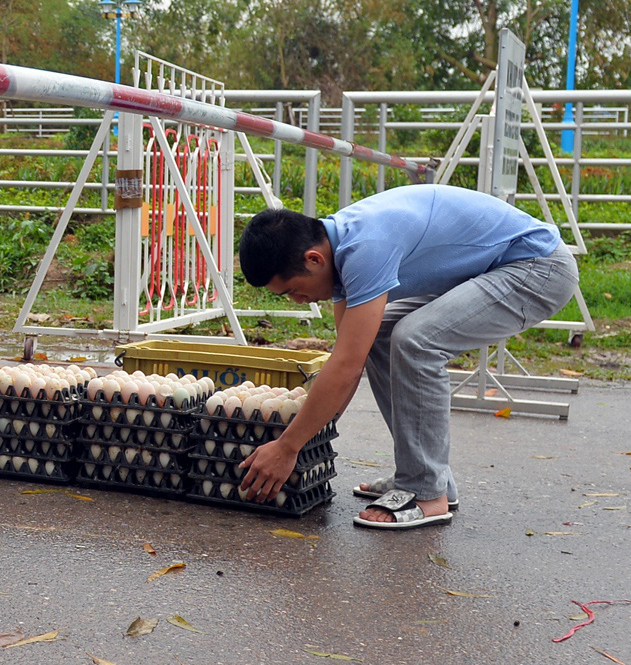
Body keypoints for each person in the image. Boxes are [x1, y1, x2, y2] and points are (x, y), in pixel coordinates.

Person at [234, 185, 578, 529]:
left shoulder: (365, 248)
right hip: (499, 267)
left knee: (416, 341)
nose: (297, 300)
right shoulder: (341, 247)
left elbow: (346, 368)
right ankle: (429, 476)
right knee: (380, 335)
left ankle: (426, 492)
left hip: (539, 268)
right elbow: (350, 357)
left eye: (293, 289)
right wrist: (306, 438)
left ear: (313, 259)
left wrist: (288, 446)